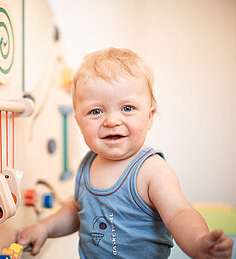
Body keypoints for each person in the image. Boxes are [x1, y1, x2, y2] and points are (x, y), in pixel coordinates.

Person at [17, 48, 234, 258]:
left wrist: (198, 242)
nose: (112, 121)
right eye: (96, 111)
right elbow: (78, 210)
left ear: (149, 117)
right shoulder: (88, 164)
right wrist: (44, 228)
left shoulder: (152, 170)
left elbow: (179, 213)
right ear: (78, 121)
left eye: (127, 108)